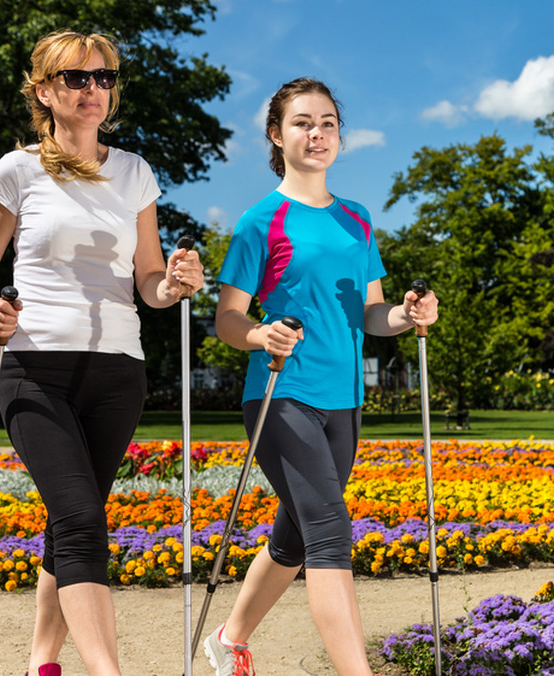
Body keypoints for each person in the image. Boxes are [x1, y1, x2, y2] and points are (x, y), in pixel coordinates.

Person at [0, 30, 203, 676]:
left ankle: (42, 663)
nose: (94, 89)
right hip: (34, 367)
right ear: (44, 91)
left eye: (104, 78)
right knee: (78, 518)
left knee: (73, 521)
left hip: (117, 374)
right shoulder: (16, 171)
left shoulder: (135, 173)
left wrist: (175, 283)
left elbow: (149, 283)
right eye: (77, 78)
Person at [206, 77, 439, 676]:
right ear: (277, 136)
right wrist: (260, 334)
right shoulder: (262, 221)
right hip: (281, 394)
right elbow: (228, 317)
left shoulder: (357, 220)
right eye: (304, 122)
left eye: (328, 122)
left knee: (296, 536)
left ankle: (229, 639)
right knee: (331, 534)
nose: (318, 133)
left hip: (344, 400)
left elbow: (372, 312)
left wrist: (408, 315)